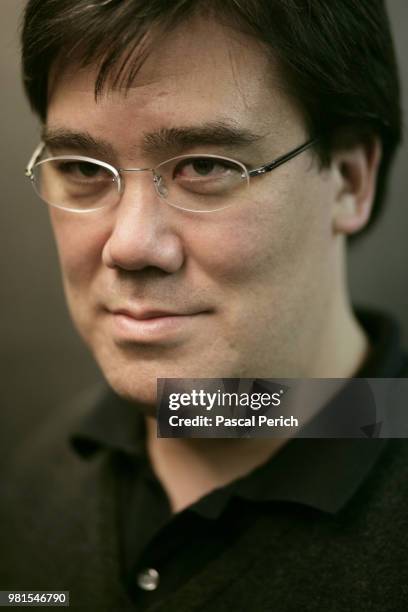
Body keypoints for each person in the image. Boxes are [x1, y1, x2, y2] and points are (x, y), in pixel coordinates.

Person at [1, 0, 407, 610]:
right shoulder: (32, 478)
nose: (130, 244)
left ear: (349, 181)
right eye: (84, 167)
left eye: (206, 166)